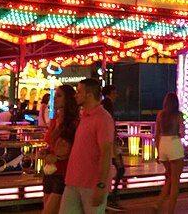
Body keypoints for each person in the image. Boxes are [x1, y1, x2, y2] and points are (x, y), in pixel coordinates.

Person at [59, 78, 114, 214]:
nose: (75, 95)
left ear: (89, 95)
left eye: (79, 92)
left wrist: (101, 184)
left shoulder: (103, 118)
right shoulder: (84, 116)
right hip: (73, 179)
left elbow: (106, 152)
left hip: (92, 182)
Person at [39, 84, 77, 214]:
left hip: (63, 172)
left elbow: (77, 148)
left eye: (59, 96)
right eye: (54, 96)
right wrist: (46, 152)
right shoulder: (55, 120)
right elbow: (51, 144)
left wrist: (59, 157)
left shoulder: (74, 122)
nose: (55, 99)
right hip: (50, 171)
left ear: (69, 99)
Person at [154, 92, 184, 214]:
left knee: (169, 178)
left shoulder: (160, 115)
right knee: (175, 180)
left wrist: (157, 152)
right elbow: (183, 132)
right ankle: (170, 210)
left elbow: (156, 135)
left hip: (163, 146)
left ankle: (159, 203)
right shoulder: (178, 115)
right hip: (174, 144)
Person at [101, 85, 125, 212]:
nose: (117, 95)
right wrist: (114, 146)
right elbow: (110, 125)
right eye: (115, 92)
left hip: (109, 143)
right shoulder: (107, 105)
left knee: (111, 169)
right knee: (120, 169)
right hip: (110, 144)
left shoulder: (104, 104)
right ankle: (111, 198)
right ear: (110, 93)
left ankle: (109, 197)